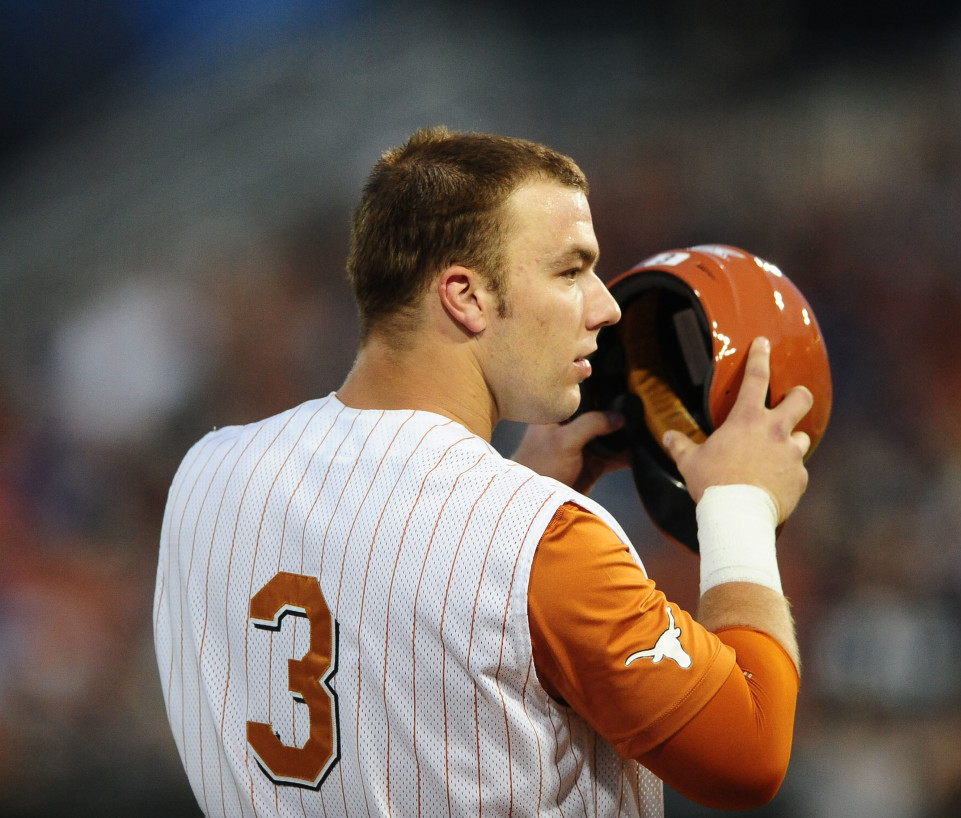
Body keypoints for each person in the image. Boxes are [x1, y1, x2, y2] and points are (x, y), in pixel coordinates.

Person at [152, 126, 815, 817]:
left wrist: (512, 491)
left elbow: (387, 633)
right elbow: (750, 753)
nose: (606, 305)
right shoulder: (546, 545)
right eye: (570, 270)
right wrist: (739, 505)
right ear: (464, 296)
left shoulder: (206, 473)